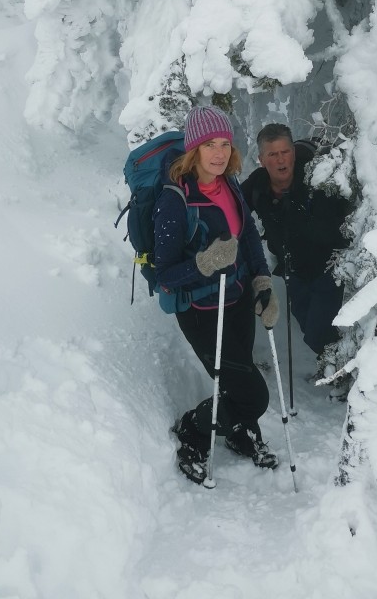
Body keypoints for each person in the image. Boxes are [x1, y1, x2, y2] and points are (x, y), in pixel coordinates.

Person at [153, 105, 280, 485]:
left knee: (236, 384)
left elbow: (249, 236)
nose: (219, 152)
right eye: (210, 144)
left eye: (225, 143)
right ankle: (193, 432)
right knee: (254, 395)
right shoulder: (175, 201)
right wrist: (204, 263)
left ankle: (239, 429)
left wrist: (261, 283)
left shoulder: (229, 184)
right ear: (194, 149)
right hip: (202, 310)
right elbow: (165, 276)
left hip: (238, 299)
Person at [241, 123, 350, 362]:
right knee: (309, 329)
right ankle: (335, 366)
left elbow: (342, 229)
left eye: (285, 152)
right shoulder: (258, 186)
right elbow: (233, 209)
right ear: (261, 159)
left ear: (292, 151)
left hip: (328, 272)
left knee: (317, 335)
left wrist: (302, 220)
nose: (281, 160)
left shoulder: (316, 181)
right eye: (272, 154)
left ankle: (344, 372)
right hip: (294, 274)